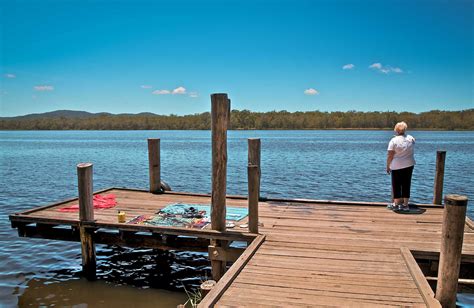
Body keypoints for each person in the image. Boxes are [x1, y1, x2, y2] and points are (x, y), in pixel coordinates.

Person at [386, 121, 416, 211]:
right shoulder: (411, 138)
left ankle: (396, 204)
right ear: (405, 129)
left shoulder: (393, 140)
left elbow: (390, 155)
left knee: (396, 184)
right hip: (409, 164)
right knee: (407, 183)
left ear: (396, 130)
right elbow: (412, 143)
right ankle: (405, 205)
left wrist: (388, 166)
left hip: (396, 165)